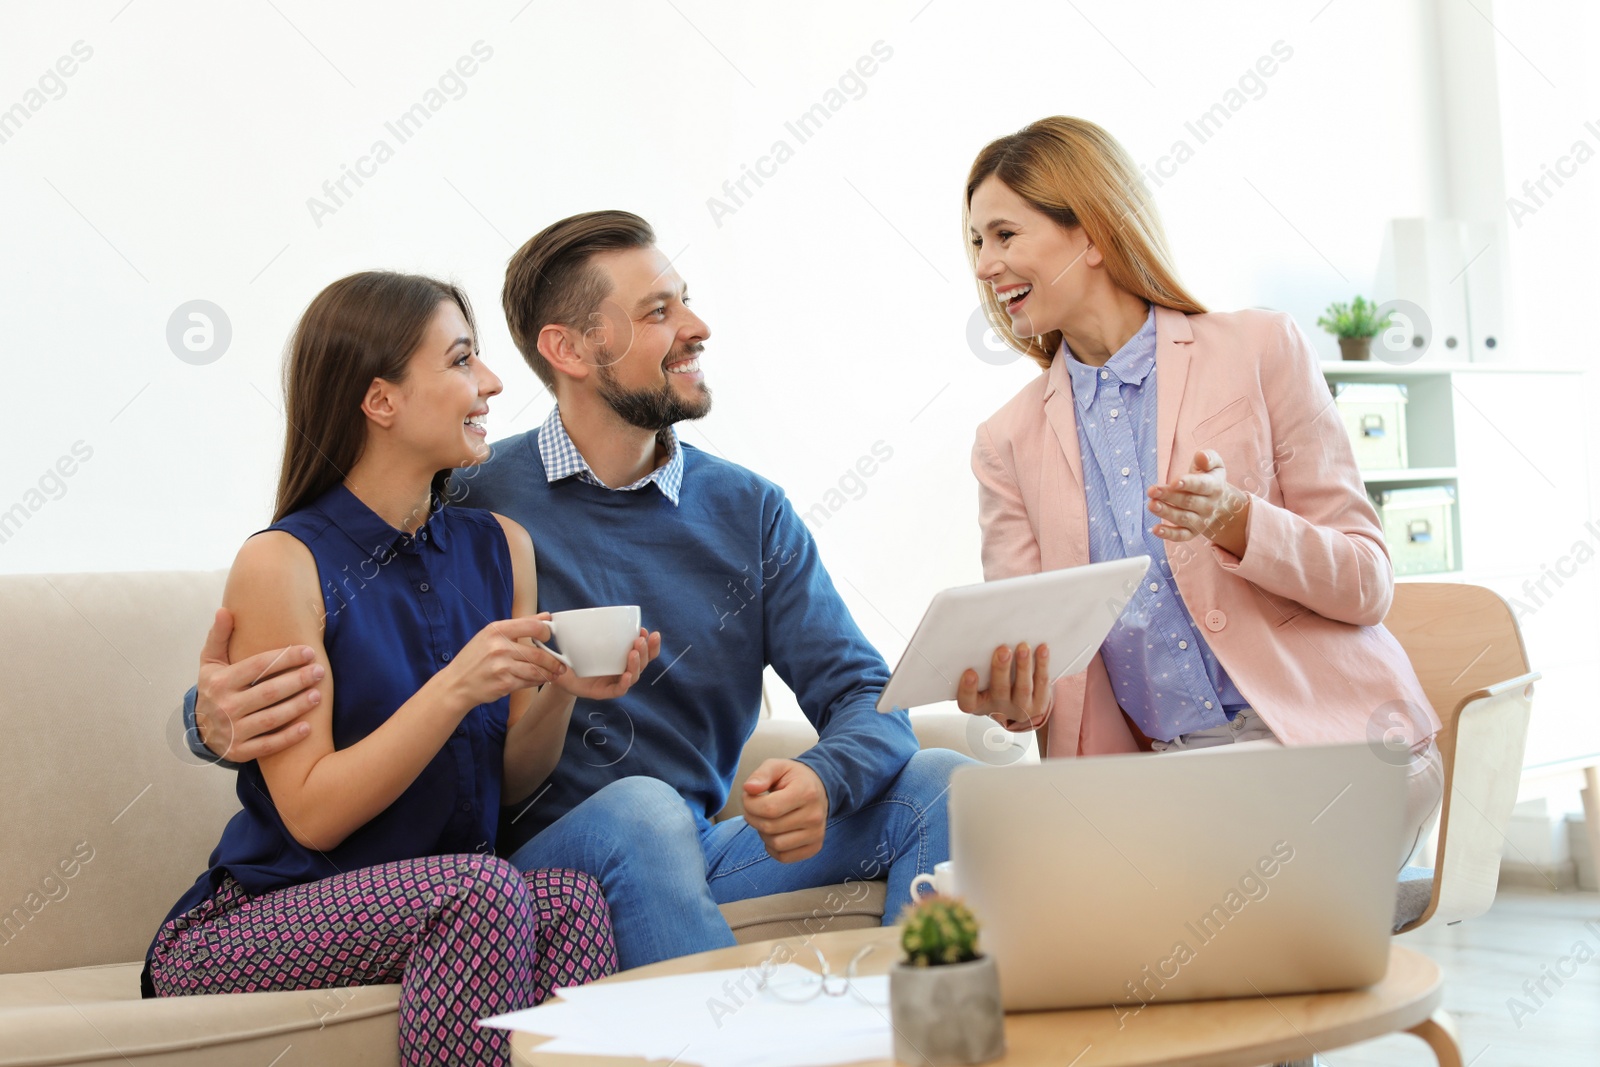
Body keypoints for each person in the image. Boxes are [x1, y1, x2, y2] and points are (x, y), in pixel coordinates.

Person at [179, 211, 972, 969]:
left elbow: (866, 689)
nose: (696, 328)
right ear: (569, 348)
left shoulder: (749, 512)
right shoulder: (471, 495)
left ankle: (938, 1034)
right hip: (526, 865)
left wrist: (823, 777)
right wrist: (206, 719)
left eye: (686, 302)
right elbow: (337, 587)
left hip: (688, 844)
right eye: (658, 311)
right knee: (641, 807)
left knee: (941, 782)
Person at [147, 271, 653, 1066]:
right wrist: (455, 685)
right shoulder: (283, 561)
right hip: (261, 918)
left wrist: (563, 692)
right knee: (480, 887)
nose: (490, 382)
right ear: (380, 401)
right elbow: (312, 814)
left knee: (570, 901)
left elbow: (511, 782)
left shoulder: (501, 546)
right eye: (461, 361)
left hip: (438, 896)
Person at [953, 116, 1443, 870]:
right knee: (992, 880)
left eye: (1005, 235)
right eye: (977, 243)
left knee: (1193, 888)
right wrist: (1020, 698)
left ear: (1091, 234)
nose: (986, 265)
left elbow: (1369, 582)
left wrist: (1244, 522)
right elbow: (1038, 652)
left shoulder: (1259, 349)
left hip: (1326, 746)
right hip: (1168, 774)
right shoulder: (1006, 441)